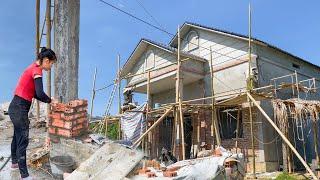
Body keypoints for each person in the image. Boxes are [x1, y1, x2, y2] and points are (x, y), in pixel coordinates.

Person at [8, 47, 57, 179]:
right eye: (51, 63)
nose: (51, 67)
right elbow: (40, 93)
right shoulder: (37, 70)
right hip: (19, 108)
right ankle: (24, 175)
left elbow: (35, 94)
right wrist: (49, 100)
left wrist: (49, 101)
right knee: (23, 139)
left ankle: (14, 163)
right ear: (46, 60)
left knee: (17, 136)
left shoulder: (32, 67)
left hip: (15, 106)